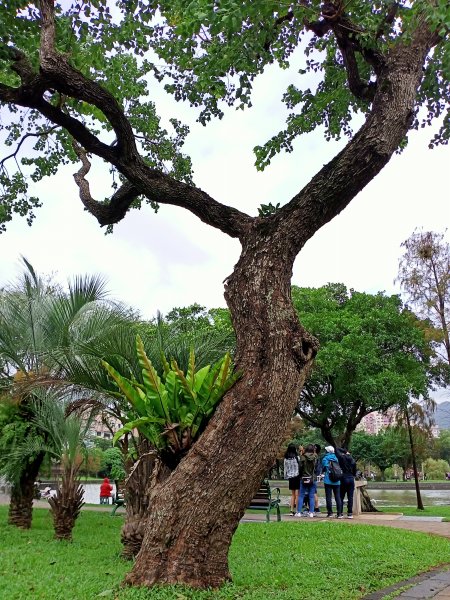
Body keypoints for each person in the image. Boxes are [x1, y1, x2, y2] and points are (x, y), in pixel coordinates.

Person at [295, 443, 317, 518]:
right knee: (311, 496)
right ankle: (311, 512)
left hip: (304, 478)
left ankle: (298, 512)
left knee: (301, 495)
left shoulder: (303, 457)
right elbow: (316, 468)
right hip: (312, 478)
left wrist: (301, 475)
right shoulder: (315, 457)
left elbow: (300, 468)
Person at [322, 445, 343, 518]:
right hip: (337, 481)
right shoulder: (336, 458)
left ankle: (330, 513)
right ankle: (339, 513)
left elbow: (323, 468)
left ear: (327, 451)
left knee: (328, 497)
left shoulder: (325, 459)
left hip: (328, 480)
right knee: (338, 497)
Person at [336, 447, 357, 519]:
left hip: (343, 478)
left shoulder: (341, 458)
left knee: (341, 496)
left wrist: (343, 451)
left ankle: (340, 513)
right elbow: (355, 472)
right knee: (350, 497)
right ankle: (350, 513)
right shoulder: (353, 460)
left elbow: (337, 449)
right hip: (351, 478)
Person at [284, 443, 300, 515]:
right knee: (297, 495)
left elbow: (285, 469)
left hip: (290, 477)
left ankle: (291, 510)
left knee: (293, 495)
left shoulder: (286, 459)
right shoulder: (297, 458)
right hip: (297, 476)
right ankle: (297, 510)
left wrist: (285, 476)